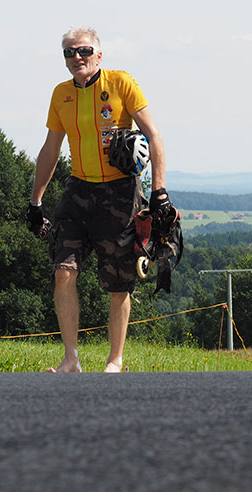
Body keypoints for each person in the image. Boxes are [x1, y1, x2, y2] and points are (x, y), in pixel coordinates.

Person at [27, 27, 170, 373]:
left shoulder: (121, 84)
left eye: (84, 51)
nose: (77, 57)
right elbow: (50, 149)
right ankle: (70, 359)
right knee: (64, 272)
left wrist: (159, 191)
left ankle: (115, 360)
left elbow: (153, 135)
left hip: (119, 193)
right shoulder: (61, 94)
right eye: (69, 53)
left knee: (118, 283)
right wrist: (35, 202)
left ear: (99, 55)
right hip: (78, 191)